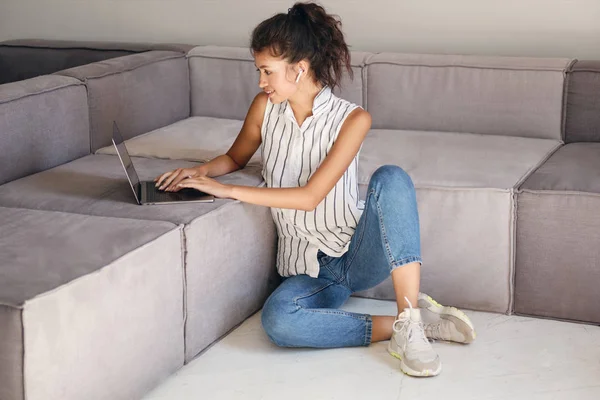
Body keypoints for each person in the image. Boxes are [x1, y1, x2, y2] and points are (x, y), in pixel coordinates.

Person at [155, 2, 475, 377]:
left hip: (355, 253)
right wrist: (200, 172)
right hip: (307, 271)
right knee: (280, 322)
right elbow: (236, 157)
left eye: (267, 71)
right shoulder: (264, 108)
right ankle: (410, 327)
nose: (261, 81)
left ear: (300, 68)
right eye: (259, 70)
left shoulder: (353, 119)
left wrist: (227, 191)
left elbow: (311, 196)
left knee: (392, 177)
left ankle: (409, 315)